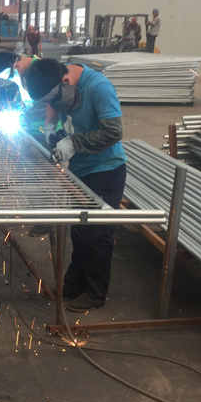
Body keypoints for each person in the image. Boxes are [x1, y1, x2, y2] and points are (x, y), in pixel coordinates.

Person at [24, 58, 127, 312]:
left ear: (66, 82)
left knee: (96, 235)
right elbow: (54, 103)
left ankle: (95, 293)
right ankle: (74, 283)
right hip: (81, 169)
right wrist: (49, 127)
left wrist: (73, 144)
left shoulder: (99, 88)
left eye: (54, 98)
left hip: (106, 169)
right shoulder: (60, 73)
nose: (52, 105)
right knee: (80, 232)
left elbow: (114, 131)